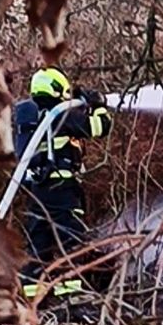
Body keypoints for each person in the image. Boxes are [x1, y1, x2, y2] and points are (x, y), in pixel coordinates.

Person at [12, 66, 111, 306]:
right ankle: (72, 299)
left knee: (39, 244)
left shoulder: (31, 118)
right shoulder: (61, 114)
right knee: (71, 240)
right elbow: (100, 127)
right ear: (58, 89)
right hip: (62, 190)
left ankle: (33, 301)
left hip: (37, 190)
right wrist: (98, 104)